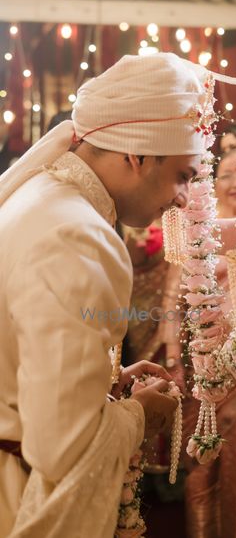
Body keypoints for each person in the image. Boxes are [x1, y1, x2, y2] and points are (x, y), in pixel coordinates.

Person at [0, 52, 213, 537]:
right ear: (136, 155)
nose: (183, 198)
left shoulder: (40, 196)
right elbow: (62, 448)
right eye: (182, 175)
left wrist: (104, 384)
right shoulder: (80, 236)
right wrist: (138, 417)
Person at [184, 149, 236, 538]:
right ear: (213, 185)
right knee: (202, 463)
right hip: (208, 363)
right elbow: (181, 300)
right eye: (228, 175)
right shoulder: (200, 232)